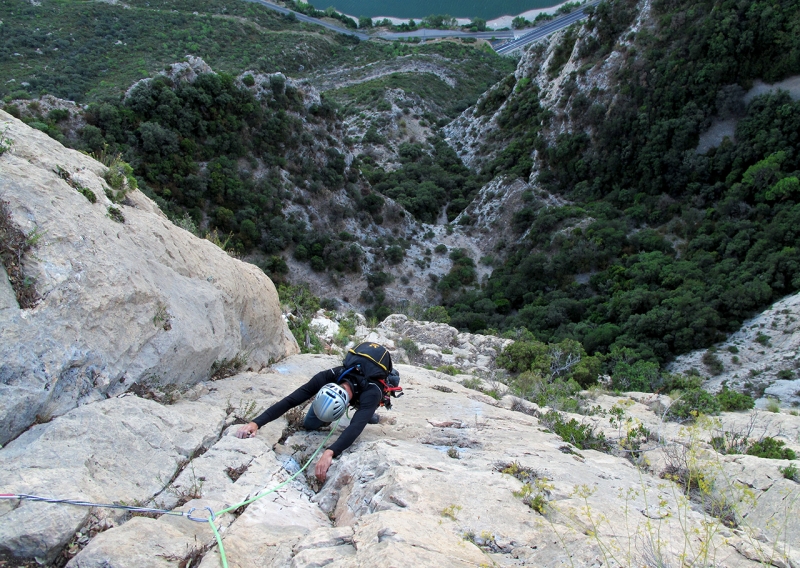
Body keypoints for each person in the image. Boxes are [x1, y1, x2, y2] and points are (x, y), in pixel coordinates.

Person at [236, 345, 399, 482]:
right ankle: (359, 412)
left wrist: (330, 452)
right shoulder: (330, 376)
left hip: (367, 391)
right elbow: (291, 400)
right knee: (310, 424)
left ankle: (369, 414)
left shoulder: (372, 392)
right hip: (351, 389)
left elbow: (355, 426)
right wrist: (256, 423)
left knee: (364, 413)